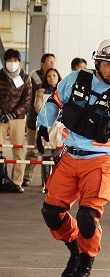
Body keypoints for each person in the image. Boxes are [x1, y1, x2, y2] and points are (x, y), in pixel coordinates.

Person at [36, 39, 110, 277]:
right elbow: (55, 101)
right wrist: (42, 125)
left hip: (101, 160)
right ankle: (75, 249)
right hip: (70, 155)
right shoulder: (75, 79)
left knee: (87, 215)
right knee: (51, 212)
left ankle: (86, 263)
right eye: (108, 64)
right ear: (97, 62)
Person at [0, 49, 32, 193]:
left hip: (17, 119)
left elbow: (27, 100)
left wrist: (13, 115)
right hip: (0, 118)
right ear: (4, 61)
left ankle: (17, 181)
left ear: (19, 62)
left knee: (18, 150)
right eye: (9, 60)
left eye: (15, 60)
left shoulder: (25, 78)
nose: (12, 63)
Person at [23, 53, 56, 187]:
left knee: (50, 152)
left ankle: (48, 181)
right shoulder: (35, 76)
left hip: (52, 126)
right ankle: (27, 177)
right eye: (49, 61)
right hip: (34, 121)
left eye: (53, 61)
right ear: (42, 64)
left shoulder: (57, 83)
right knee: (32, 150)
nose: (52, 63)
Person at [33, 67, 62, 193]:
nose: (51, 78)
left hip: (59, 127)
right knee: (45, 157)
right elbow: (38, 107)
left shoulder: (62, 91)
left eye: (54, 76)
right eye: (49, 76)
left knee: (57, 158)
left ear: (58, 77)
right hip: (45, 125)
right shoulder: (40, 91)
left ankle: (55, 184)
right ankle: (45, 183)